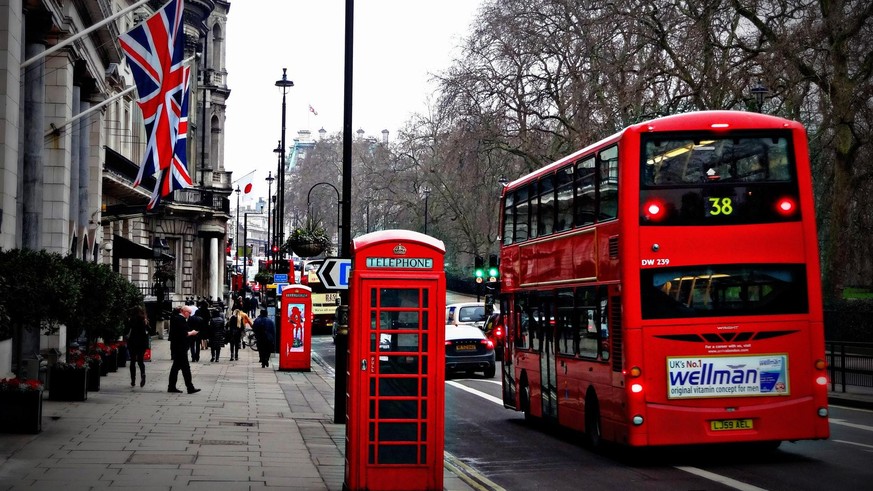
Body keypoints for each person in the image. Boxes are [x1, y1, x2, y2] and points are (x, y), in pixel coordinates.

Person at [168, 305, 201, 394]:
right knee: (185, 368)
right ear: (183, 311)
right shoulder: (180, 319)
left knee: (176, 368)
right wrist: (192, 333)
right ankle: (190, 388)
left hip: (179, 347)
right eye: (188, 313)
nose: (189, 315)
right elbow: (182, 333)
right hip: (180, 348)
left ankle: (172, 386)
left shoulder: (178, 319)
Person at [125, 305, 150, 388]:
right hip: (142, 343)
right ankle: (143, 374)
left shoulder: (132, 319)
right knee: (140, 360)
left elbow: (127, 329)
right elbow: (149, 330)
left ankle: (133, 380)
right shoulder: (144, 319)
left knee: (132, 361)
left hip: (133, 342)